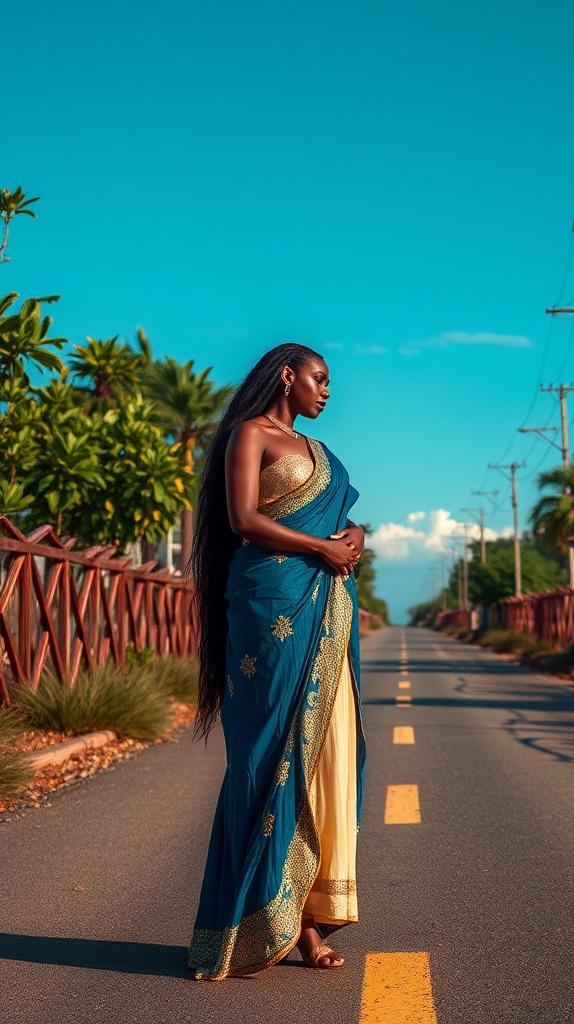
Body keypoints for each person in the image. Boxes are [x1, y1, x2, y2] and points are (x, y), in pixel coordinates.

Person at [186, 343, 367, 979]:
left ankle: (308, 920)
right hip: (269, 611)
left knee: (322, 753)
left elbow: (346, 519)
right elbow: (242, 518)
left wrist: (353, 538)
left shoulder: (321, 455)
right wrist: (323, 544)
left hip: (327, 614)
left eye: (329, 383)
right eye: (319, 379)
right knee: (267, 758)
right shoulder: (249, 435)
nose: (326, 391)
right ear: (286, 374)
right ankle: (251, 917)